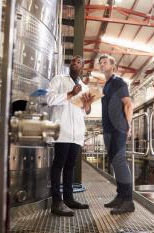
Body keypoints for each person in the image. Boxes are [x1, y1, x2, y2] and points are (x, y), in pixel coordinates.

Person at [47, 55, 94, 216]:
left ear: (83, 67)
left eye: (79, 61)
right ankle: (56, 202)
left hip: (77, 133)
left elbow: (86, 111)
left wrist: (87, 106)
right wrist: (70, 93)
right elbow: (50, 99)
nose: (75, 63)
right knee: (58, 164)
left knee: (70, 167)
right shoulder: (58, 80)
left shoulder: (85, 87)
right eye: (73, 61)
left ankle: (69, 199)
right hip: (62, 130)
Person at [99, 54, 135, 215]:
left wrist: (128, 126)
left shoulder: (119, 82)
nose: (101, 64)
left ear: (113, 66)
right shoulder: (106, 86)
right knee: (114, 162)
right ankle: (120, 196)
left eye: (105, 62)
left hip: (118, 128)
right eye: (100, 63)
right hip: (108, 129)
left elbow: (128, 103)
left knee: (119, 161)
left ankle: (128, 200)